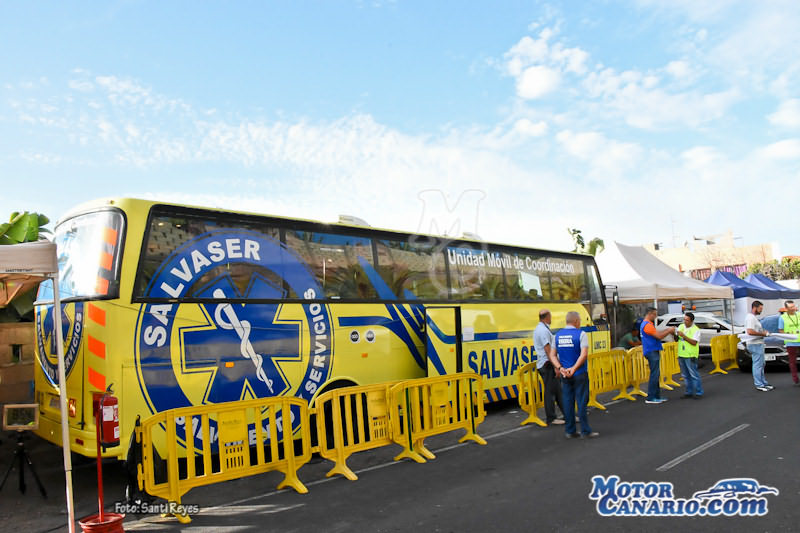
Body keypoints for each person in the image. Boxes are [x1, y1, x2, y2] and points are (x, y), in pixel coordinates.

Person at [549, 311, 598, 439]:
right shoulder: (581, 334)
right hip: (579, 373)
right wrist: (574, 368)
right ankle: (585, 431)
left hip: (565, 374)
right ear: (576, 321)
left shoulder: (557, 336)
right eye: (579, 321)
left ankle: (570, 430)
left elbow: (552, 355)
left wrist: (560, 368)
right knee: (581, 402)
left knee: (568, 402)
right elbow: (584, 354)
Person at [532, 309, 565, 425]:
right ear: (547, 317)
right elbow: (548, 350)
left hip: (547, 364)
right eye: (550, 316)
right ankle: (551, 418)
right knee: (550, 392)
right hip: (547, 365)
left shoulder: (541, 329)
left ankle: (567, 415)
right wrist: (556, 366)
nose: (551, 319)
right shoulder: (543, 331)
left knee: (558, 391)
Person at [640, 307, 676, 404]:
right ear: (650, 313)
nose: (656, 316)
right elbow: (659, 336)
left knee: (656, 374)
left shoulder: (647, 324)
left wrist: (667, 330)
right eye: (655, 314)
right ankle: (651, 397)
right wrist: (668, 330)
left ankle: (656, 396)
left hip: (651, 350)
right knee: (654, 374)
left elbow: (657, 334)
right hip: (651, 350)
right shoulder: (647, 325)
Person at [745, 300, 772, 391]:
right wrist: (763, 334)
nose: (761, 311)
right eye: (760, 309)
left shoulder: (753, 318)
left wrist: (763, 332)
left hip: (758, 343)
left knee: (761, 364)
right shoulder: (750, 318)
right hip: (754, 344)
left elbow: (755, 330)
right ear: (754, 308)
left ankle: (763, 383)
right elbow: (750, 331)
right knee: (758, 365)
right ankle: (759, 384)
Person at [676, 312, 703, 398]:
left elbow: (694, 342)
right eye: (684, 319)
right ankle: (689, 391)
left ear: (691, 321)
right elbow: (677, 338)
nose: (685, 322)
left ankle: (698, 392)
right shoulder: (681, 326)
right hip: (681, 354)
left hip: (691, 355)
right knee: (685, 375)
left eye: (687, 320)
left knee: (693, 374)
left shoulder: (696, 330)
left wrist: (684, 336)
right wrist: (674, 333)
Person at [778, 300, 800, 386]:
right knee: (792, 362)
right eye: (791, 307)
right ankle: (795, 378)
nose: (793, 308)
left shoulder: (799, 314)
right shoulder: (782, 318)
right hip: (791, 342)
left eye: (793, 306)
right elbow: (781, 330)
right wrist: (787, 335)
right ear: (786, 308)